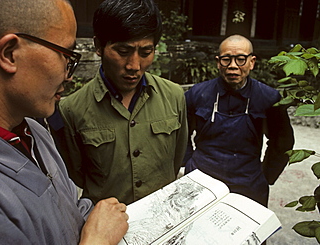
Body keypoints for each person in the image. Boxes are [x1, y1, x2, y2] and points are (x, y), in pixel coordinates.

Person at [0, 0, 128, 244]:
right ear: (10, 53)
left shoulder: (33, 129)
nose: (69, 75)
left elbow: (69, 211)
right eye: (66, 56)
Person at [59, 0, 188, 205]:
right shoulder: (71, 109)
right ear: (99, 46)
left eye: (146, 53)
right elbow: (77, 174)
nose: (134, 65)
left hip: (162, 220)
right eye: (123, 51)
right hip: (107, 230)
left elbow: (176, 159)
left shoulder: (174, 96)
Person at [183, 35, 294, 206]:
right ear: (218, 62)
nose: (233, 66)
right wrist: (189, 166)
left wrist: (266, 175)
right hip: (201, 178)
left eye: (241, 59)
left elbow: (282, 142)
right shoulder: (197, 94)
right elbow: (182, 134)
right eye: (226, 59)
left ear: (252, 62)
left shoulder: (268, 98)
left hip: (248, 182)